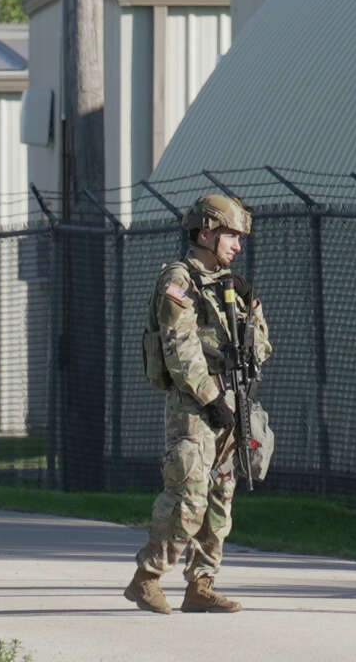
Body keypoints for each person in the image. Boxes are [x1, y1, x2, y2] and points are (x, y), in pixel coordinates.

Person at [123, 193, 271, 615]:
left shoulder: (229, 286)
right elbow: (179, 348)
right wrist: (210, 399)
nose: (238, 246)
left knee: (222, 494)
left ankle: (201, 583)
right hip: (195, 405)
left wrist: (252, 304)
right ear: (206, 232)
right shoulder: (180, 280)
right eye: (231, 236)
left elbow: (261, 346)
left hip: (233, 399)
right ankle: (146, 578)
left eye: (240, 238)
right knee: (188, 494)